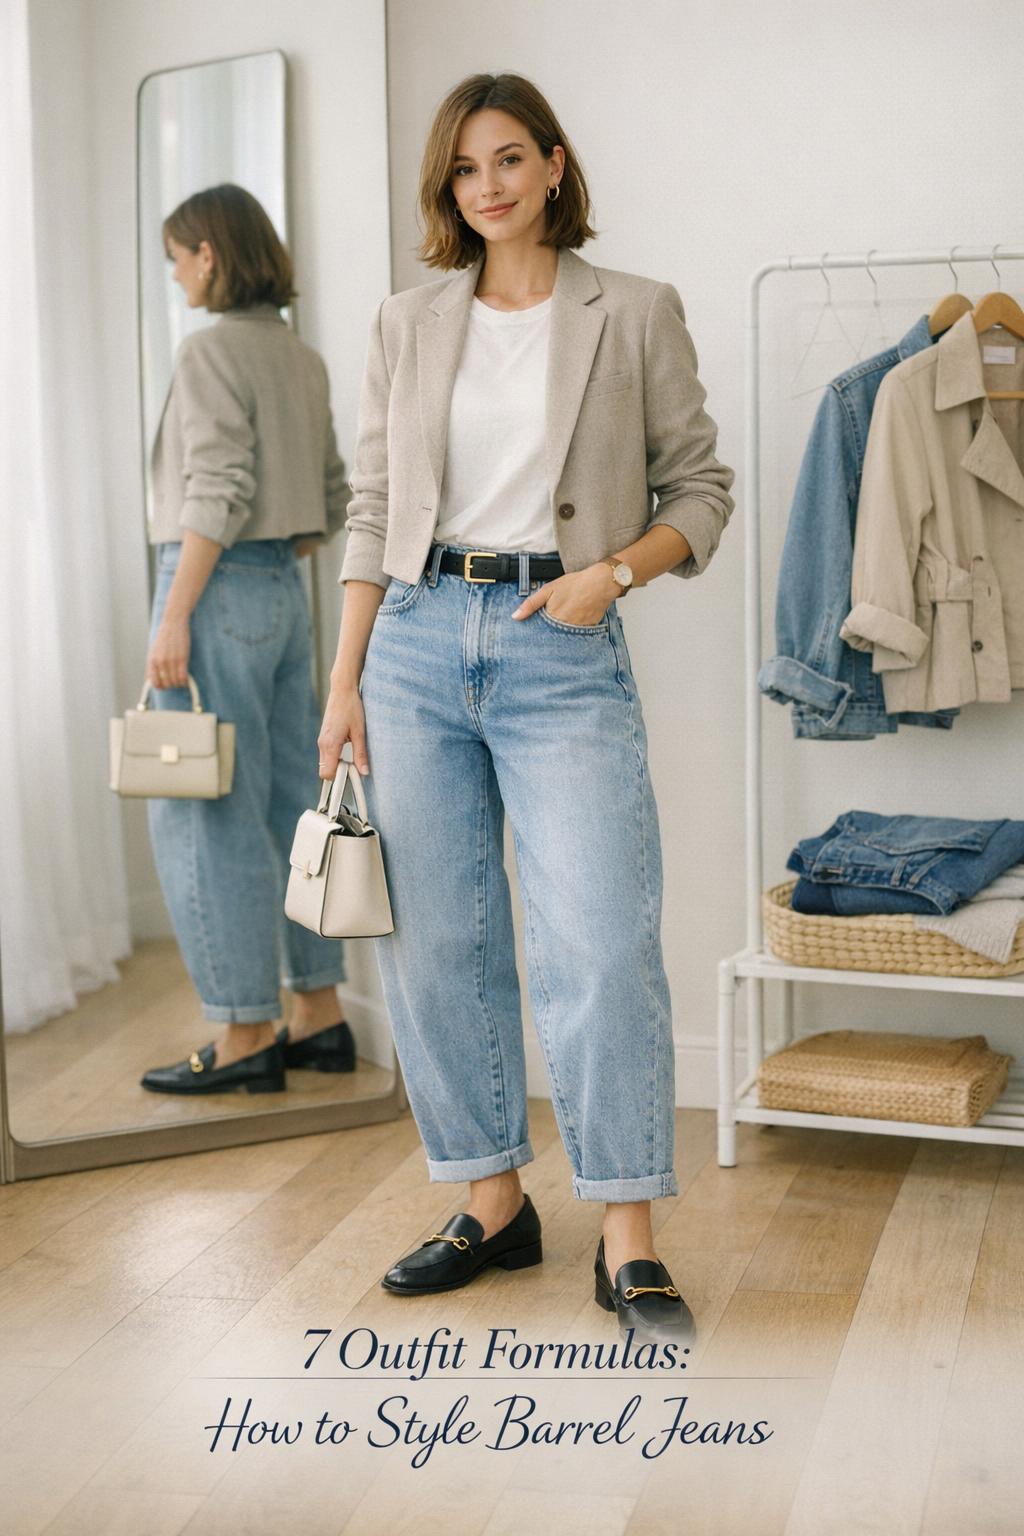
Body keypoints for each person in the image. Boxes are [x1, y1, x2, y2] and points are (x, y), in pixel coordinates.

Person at [319, 75, 734, 1340]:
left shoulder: (637, 311)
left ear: (553, 166)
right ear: (448, 190)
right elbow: (376, 509)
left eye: (509, 159)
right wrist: (343, 681)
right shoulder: (407, 320)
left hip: (561, 638)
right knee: (440, 946)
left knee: (602, 941)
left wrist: (611, 577)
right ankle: (491, 1204)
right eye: (463, 169)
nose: (487, 185)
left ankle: (627, 1234)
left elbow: (701, 491)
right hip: (414, 641)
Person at [139, 183, 356, 1096]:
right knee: (282, 808)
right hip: (287, 593)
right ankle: (319, 1016)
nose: (177, 274)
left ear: (210, 256)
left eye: (180, 257)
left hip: (217, 585)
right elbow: (336, 496)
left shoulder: (208, 352)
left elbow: (217, 488)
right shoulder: (297, 356)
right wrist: (278, 547)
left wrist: (176, 610)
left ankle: (243, 1031)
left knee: (204, 811)